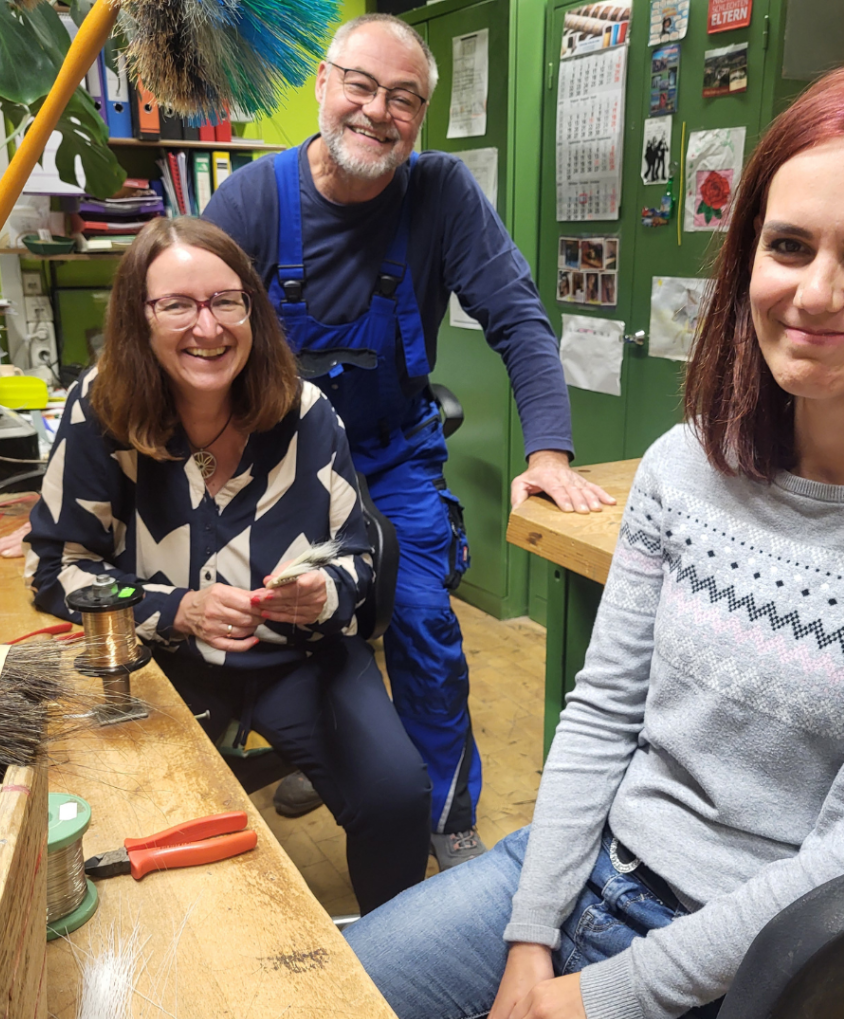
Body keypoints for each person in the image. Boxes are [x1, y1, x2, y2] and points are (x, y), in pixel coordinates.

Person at [343, 64, 844, 1019]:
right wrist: (531, 943)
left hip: (764, 961)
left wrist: (596, 999)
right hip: (581, 875)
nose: (816, 292)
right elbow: (606, 710)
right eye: (789, 246)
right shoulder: (685, 466)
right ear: (748, 261)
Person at [203, 12, 613, 868]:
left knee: (424, 623)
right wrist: (103, 473)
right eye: (360, 84)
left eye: (404, 98)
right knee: (283, 617)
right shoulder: (249, 201)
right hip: (273, 467)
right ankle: (335, 755)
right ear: (324, 83)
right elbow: (169, 339)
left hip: (391, 456)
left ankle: (447, 815)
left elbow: (521, 321)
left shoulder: (439, 194)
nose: (376, 111)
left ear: (421, 115)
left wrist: (549, 455)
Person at [24, 217, 431, 914]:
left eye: (225, 301)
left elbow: (359, 554)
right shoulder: (103, 408)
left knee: (398, 795)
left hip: (300, 657)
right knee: (136, 822)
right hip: (161, 663)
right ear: (138, 319)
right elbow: (59, 567)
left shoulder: (306, 411)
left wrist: (323, 592)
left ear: (252, 311)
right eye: (177, 305)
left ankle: (393, 971)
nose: (206, 328)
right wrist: (173, 609)